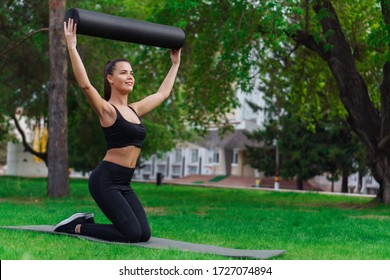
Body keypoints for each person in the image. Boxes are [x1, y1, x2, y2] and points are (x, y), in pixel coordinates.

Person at [53, 18, 181, 243]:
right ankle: (77, 227)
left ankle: (87, 224)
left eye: (131, 72)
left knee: (144, 234)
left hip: (124, 182)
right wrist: (72, 47)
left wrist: (175, 64)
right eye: (123, 73)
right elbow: (85, 85)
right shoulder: (107, 110)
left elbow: (162, 94)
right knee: (131, 234)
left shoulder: (135, 109)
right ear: (110, 78)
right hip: (105, 180)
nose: (130, 76)